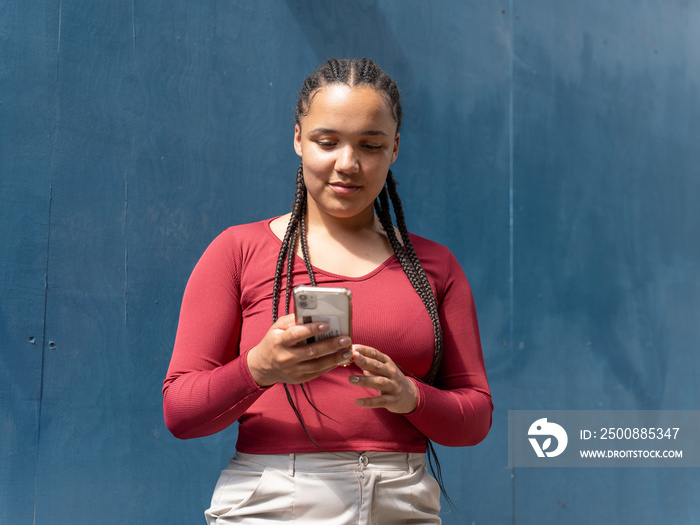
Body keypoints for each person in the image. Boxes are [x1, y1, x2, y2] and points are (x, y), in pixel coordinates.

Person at [163, 58, 492, 524]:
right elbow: (180, 411)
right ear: (298, 139)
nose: (348, 163)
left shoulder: (435, 267)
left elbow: (475, 415)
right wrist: (259, 367)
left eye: (370, 145)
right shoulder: (237, 251)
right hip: (275, 503)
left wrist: (411, 396)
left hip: (402, 502)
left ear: (394, 148)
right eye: (327, 141)